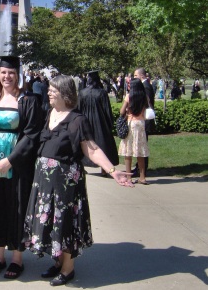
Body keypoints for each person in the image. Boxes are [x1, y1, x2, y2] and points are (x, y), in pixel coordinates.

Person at [23, 75, 133, 287]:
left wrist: (112, 170)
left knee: (65, 223)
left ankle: (68, 269)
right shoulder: (49, 114)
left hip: (66, 182)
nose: (49, 93)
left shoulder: (77, 120)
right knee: (51, 223)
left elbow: (90, 148)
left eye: (53, 90)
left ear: (65, 93)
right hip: (45, 182)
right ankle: (57, 261)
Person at [0, 56, 43, 279]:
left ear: (18, 74)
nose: (7, 77)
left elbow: (32, 134)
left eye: (11, 73)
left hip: (17, 168)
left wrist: (10, 160)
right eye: (3, 72)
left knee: (17, 208)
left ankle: (17, 259)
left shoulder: (28, 101)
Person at [77, 70, 119, 175]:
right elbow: (107, 110)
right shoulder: (102, 93)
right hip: (100, 122)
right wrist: (109, 123)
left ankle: (81, 167)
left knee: (84, 144)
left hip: (85, 121)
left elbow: (78, 109)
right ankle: (104, 169)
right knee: (102, 144)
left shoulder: (82, 93)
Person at [118, 78, 150, 185]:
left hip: (131, 123)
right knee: (140, 151)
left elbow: (121, 111)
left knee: (128, 151)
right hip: (141, 124)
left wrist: (127, 111)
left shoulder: (129, 96)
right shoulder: (144, 97)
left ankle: (129, 177)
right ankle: (142, 177)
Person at [132, 68, 154, 176]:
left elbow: (147, 103)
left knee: (142, 146)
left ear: (141, 76)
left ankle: (142, 170)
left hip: (145, 121)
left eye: (135, 76)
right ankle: (139, 167)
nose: (134, 78)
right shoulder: (144, 86)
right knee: (141, 145)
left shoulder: (146, 87)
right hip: (142, 120)